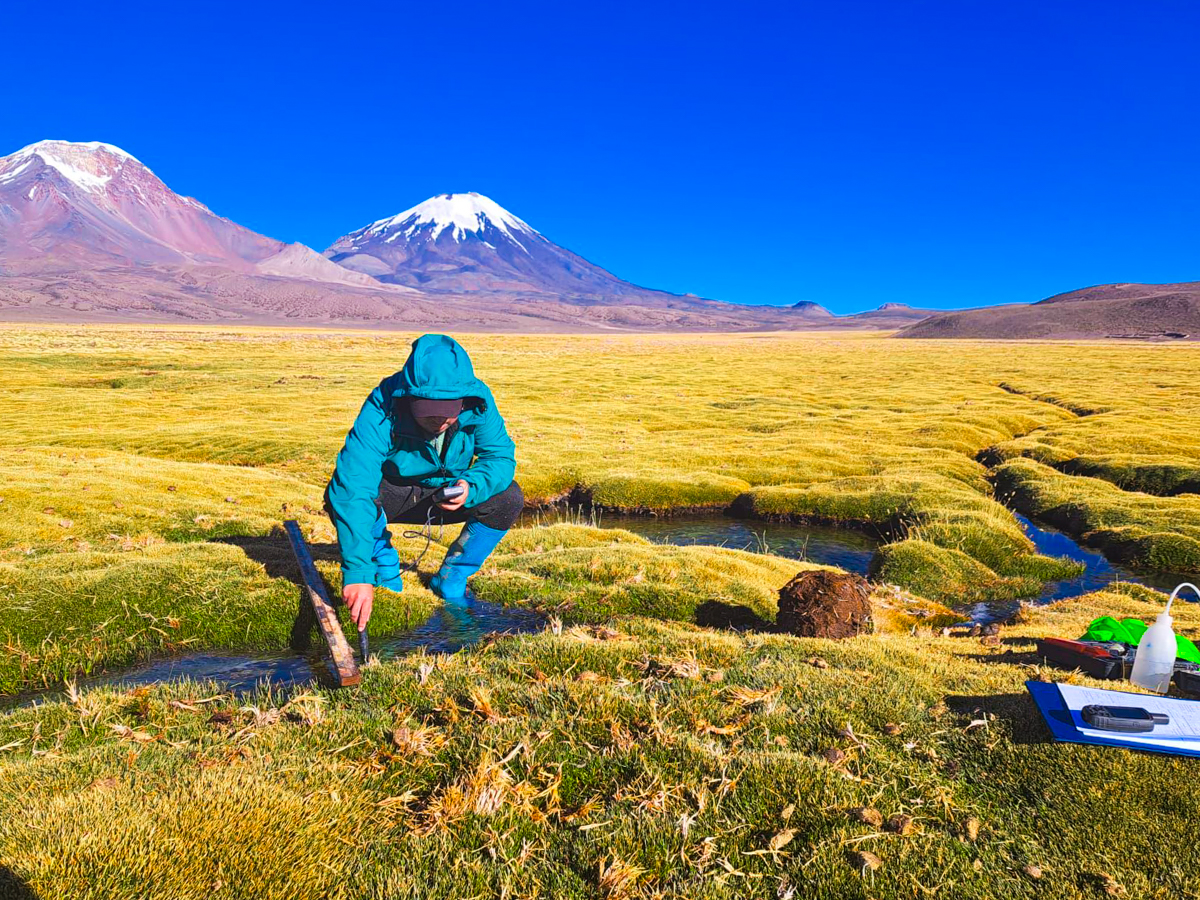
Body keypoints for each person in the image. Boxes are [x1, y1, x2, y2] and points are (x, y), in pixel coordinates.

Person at [324, 334, 522, 629]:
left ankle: (452, 578)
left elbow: (500, 458)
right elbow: (354, 485)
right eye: (428, 414)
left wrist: (470, 487)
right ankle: (384, 565)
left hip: (448, 493)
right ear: (410, 397)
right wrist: (358, 573)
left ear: (463, 401)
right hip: (394, 492)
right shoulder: (384, 402)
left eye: (448, 414)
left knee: (508, 497)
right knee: (338, 496)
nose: (439, 422)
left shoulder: (478, 401)